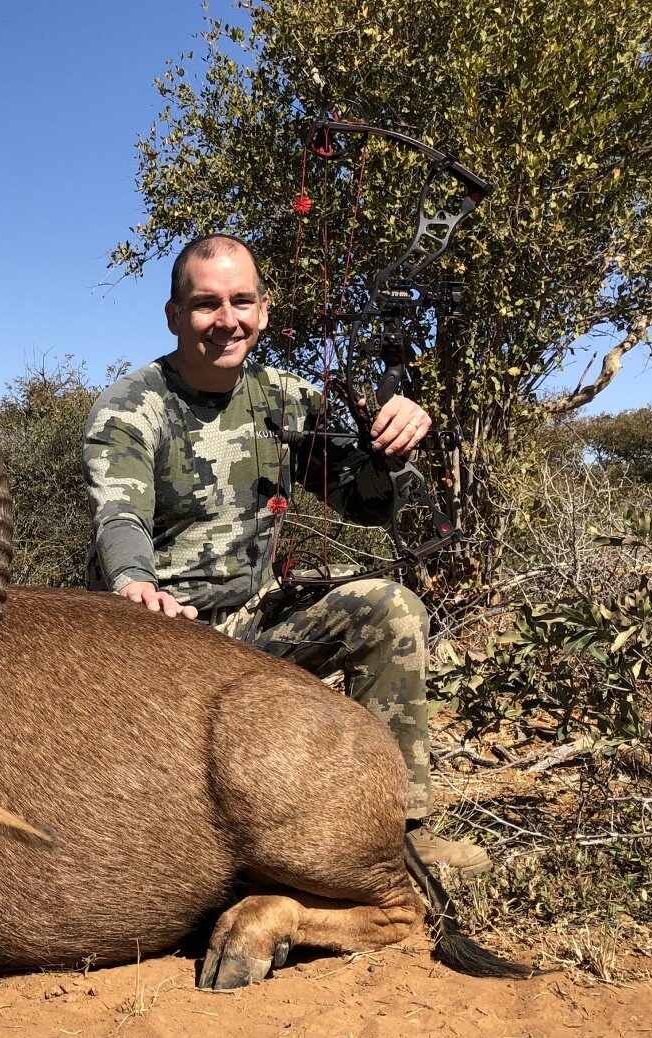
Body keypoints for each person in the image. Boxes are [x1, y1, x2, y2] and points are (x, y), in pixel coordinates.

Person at [83, 232, 488, 872]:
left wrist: (392, 447)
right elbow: (119, 515)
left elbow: (364, 501)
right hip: (156, 641)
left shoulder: (289, 398)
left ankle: (400, 829)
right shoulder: (130, 407)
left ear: (264, 310)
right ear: (173, 315)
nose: (227, 321)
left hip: (253, 626)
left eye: (242, 302)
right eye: (206, 304)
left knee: (392, 610)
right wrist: (135, 583)